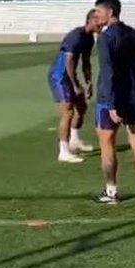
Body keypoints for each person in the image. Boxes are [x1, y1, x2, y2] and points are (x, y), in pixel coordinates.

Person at [92, 0, 135, 205]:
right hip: (134, 94)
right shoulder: (134, 35)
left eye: (98, 12)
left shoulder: (105, 38)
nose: (96, 17)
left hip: (110, 97)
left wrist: (111, 104)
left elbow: (108, 72)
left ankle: (111, 191)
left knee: (107, 143)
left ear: (110, 12)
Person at [48, 9, 101, 163]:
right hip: (59, 76)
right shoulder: (76, 36)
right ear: (90, 20)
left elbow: (85, 62)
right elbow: (69, 62)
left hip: (69, 76)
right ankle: (63, 152)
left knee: (82, 106)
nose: (101, 24)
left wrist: (88, 82)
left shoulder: (89, 38)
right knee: (68, 111)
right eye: (98, 21)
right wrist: (75, 85)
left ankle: (74, 140)